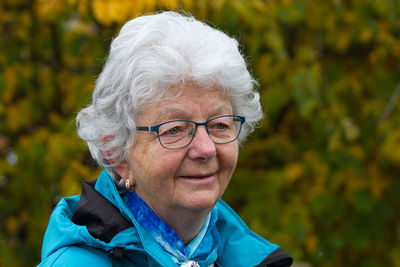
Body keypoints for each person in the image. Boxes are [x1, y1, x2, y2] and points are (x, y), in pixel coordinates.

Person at [39, 11, 293, 267]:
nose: (206, 149)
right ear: (115, 154)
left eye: (218, 125)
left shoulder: (247, 258)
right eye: (174, 130)